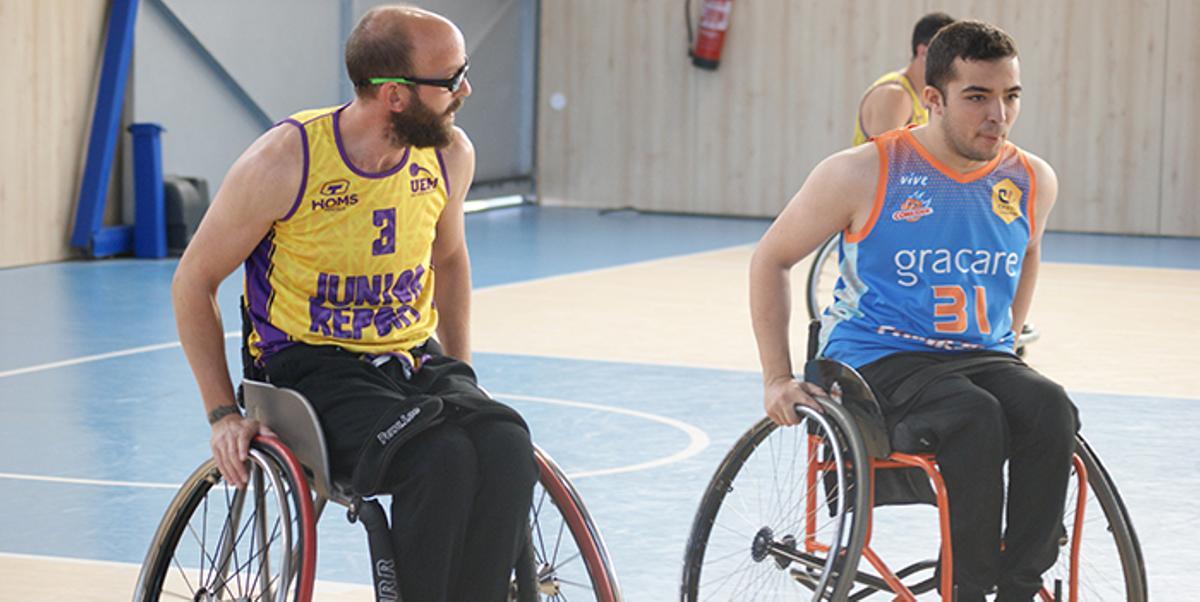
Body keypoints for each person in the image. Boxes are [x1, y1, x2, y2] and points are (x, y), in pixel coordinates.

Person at [171, 5, 537, 601]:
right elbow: (193, 281)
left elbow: (449, 260)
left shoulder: (449, 155)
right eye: (450, 80)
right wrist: (221, 414)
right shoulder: (285, 162)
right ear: (394, 95)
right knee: (437, 457)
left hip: (410, 355)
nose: (464, 90)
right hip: (308, 367)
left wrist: (463, 375)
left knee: (504, 443)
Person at [750, 20, 1076, 602]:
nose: (997, 114)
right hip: (878, 360)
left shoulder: (1031, 179)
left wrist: (1006, 340)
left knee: (1051, 407)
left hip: (976, 355)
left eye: (1011, 96)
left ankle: (1021, 587)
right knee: (974, 418)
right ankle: (969, 592)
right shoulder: (863, 171)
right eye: (977, 97)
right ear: (932, 98)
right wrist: (777, 376)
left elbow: (1027, 251)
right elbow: (771, 259)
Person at [852, 12, 955, 146]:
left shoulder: (928, 97)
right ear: (924, 52)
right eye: (950, 55)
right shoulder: (895, 95)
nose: (954, 63)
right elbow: (884, 159)